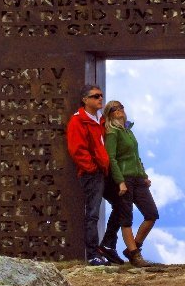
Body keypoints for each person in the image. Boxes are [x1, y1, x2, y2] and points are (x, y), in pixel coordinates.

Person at [65, 84, 124, 266]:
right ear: (85, 99)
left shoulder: (100, 119)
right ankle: (92, 255)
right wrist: (92, 168)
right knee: (92, 213)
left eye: (101, 96)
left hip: (104, 172)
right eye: (96, 96)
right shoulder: (78, 121)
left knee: (122, 204)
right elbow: (77, 150)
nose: (100, 99)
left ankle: (107, 245)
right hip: (92, 174)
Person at [103, 100, 158, 267]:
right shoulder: (112, 132)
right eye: (114, 108)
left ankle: (134, 248)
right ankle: (135, 255)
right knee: (126, 218)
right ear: (109, 113)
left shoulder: (128, 130)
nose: (119, 110)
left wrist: (144, 175)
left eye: (121, 107)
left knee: (151, 214)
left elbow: (136, 156)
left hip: (138, 178)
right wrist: (120, 182)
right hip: (125, 178)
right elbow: (111, 158)